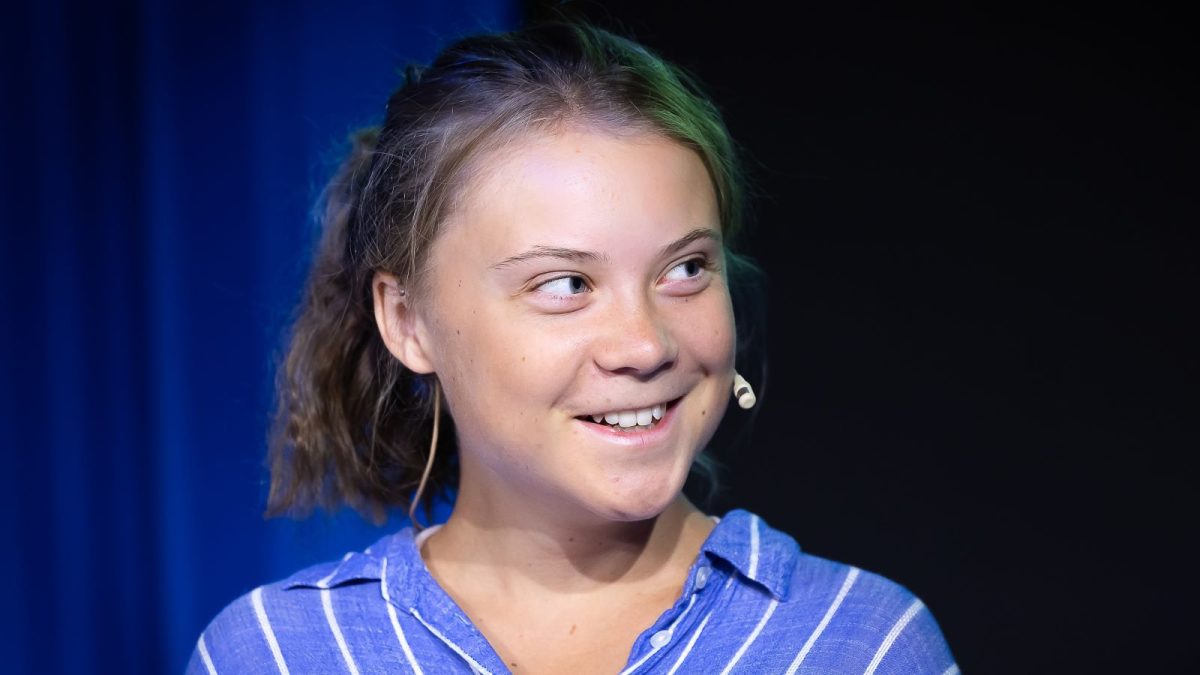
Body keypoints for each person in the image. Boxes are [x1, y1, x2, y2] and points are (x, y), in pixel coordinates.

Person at [189, 20, 957, 675]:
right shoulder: (277, 654)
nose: (644, 343)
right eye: (565, 284)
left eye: (685, 269)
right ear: (407, 320)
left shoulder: (859, 646)